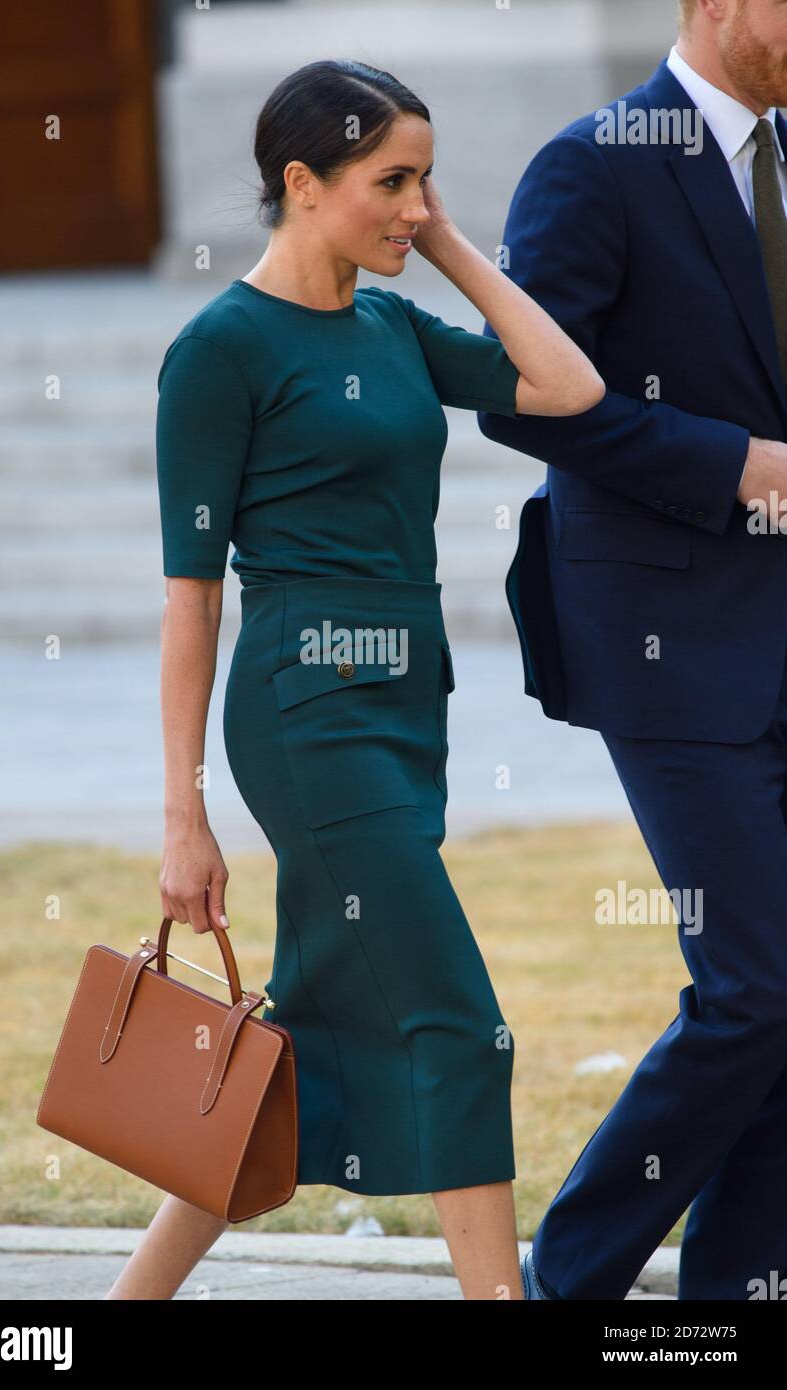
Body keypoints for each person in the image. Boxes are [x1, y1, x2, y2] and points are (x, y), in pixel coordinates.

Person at [104, 58, 602, 1301]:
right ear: (299, 182)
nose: (414, 207)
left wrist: (444, 250)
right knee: (459, 1024)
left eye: (425, 181)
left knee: (294, 1046)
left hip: (402, 709)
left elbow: (565, 385)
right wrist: (184, 814)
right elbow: (191, 596)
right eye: (390, 182)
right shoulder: (219, 350)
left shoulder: (388, 324)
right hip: (304, 713)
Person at [478, 0, 787, 1300]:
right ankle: (574, 1275)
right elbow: (523, 395)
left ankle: (734, 1292)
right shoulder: (590, 164)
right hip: (669, 646)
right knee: (757, 984)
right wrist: (735, 469)